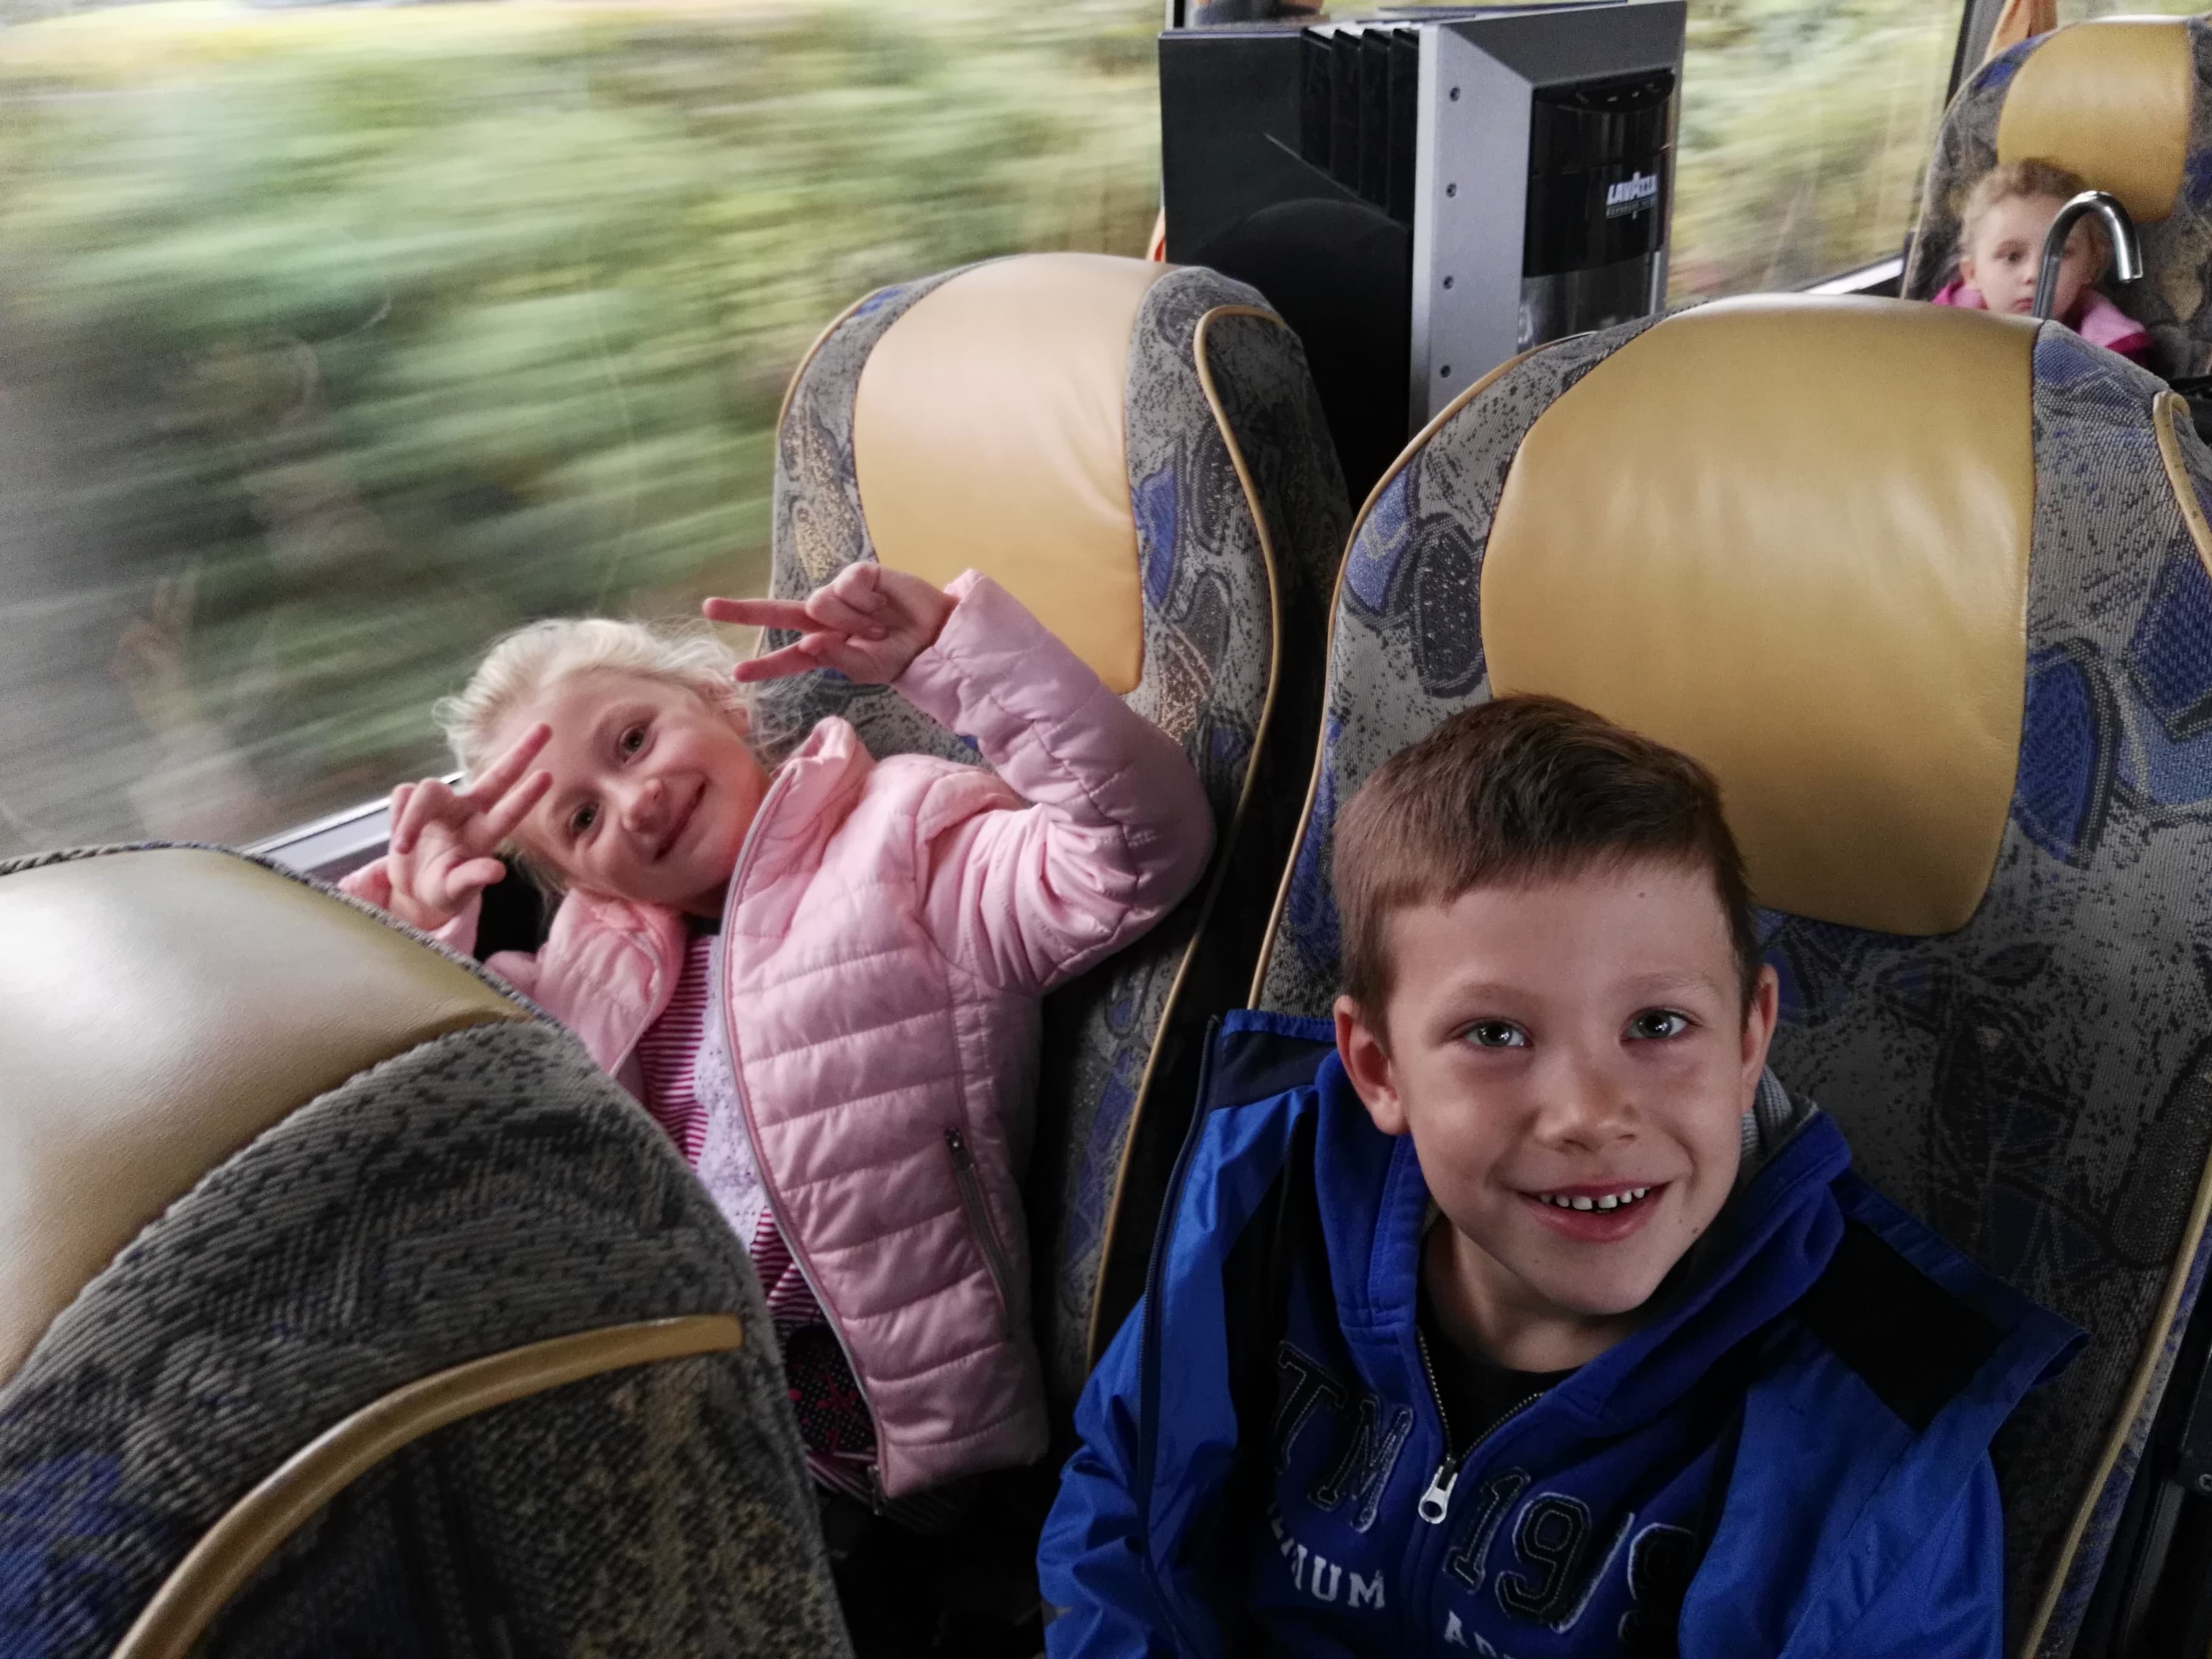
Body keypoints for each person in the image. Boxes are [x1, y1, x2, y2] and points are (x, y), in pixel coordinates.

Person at [1038, 696, 2081, 1657]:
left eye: (1658, 1024)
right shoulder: (1271, 1189)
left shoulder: (1869, 1424)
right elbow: (1125, 1509)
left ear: (1749, 1039)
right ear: (1379, 1069)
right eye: (1495, 1034)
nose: (1589, 1113)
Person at [340, 562, 1214, 1514]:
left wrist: (954, 655)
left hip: (877, 1438)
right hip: (668, 1404)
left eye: (634, 740)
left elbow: (1139, 851)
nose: (636, 801)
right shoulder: (572, 986)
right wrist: (418, 934)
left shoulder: (905, 845)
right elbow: (432, 1156)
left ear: (720, 700)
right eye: (582, 818)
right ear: (579, 881)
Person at [1931, 157, 2154, 366]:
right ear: (1972, 274)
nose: (2034, 274)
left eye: (2061, 254)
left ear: (2090, 267)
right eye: (2012, 257)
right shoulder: (1937, 335)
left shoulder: (2112, 358)